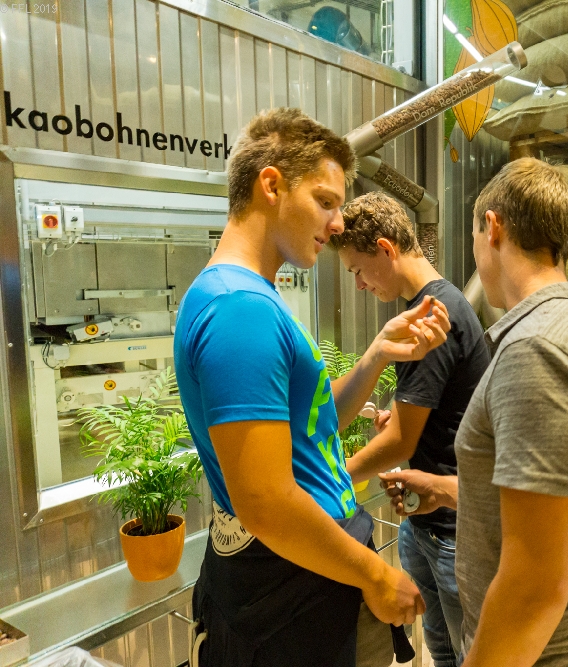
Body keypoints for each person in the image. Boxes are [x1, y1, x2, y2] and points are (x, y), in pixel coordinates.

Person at [173, 108, 449, 666]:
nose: (339, 223)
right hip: (295, 586)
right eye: (325, 201)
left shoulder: (245, 295)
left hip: (307, 570)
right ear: (271, 185)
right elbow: (266, 502)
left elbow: (310, 425)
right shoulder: (240, 310)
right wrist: (376, 575)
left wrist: (377, 353)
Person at [381, 157, 568, 667]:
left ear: (492, 228)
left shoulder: (536, 349)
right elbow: (557, 503)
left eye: (474, 237)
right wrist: (448, 490)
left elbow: (533, 587)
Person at [330, 191, 491, 667]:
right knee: (441, 651)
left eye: (358, 270)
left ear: (385, 249)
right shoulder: (435, 304)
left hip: (452, 530)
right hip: (426, 522)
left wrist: (336, 477)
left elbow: (401, 440)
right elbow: (422, 421)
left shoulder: (432, 315)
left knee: (467, 655)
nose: (359, 285)